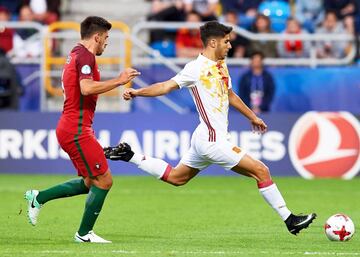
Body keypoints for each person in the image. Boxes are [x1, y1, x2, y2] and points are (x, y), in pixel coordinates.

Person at [105, 21, 316, 235]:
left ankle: (129, 155)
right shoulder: (195, 69)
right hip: (212, 141)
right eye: (226, 42)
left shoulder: (220, 65)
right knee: (261, 170)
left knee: (177, 178)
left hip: (203, 137)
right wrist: (137, 92)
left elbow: (230, 95)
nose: (230, 46)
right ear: (213, 42)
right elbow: (166, 86)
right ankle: (289, 219)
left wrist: (252, 116)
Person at [24, 16, 140, 243]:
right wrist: (119, 80)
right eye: (105, 38)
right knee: (104, 180)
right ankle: (84, 234)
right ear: (96, 36)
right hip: (76, 129)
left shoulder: (75, 54)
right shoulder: (85, 56)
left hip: (73, 126)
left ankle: (39, 197)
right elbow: (86, 88)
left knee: (90, 181)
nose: (106, 43)